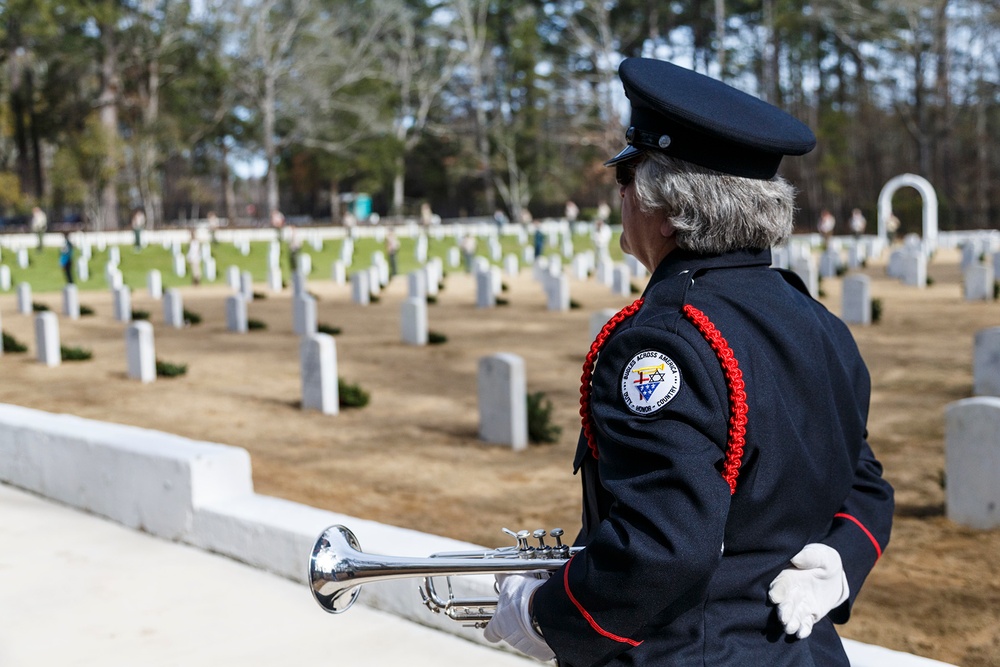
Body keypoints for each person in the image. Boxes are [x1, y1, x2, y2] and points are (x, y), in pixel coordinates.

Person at [484, 57, 893, 666]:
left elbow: (665, 546)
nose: (619, 194)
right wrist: (843, 557)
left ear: (669, 206)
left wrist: (547, 616)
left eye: (626, 177)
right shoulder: (819, 324)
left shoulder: (664, 342)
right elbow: (864, 482)